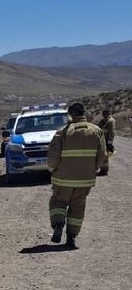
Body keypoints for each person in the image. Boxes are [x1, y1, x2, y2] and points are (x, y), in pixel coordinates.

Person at [47, 103, 106, 249]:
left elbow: (53, 156)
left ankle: (58, 224)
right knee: (78, 207)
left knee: (58, 202)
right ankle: (71, 237)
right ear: (84, 113)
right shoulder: (97, 131)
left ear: (70, 115)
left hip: (62, 179)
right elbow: (102, 154)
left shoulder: (62, 132)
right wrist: (93, 169)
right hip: (85, 179)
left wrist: (51, 169)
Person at [97, 108, 115, 176]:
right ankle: (103, 169)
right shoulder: (104, 120)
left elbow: (112, 133)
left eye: (104, 114)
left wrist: (110, 143)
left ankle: (104, 170)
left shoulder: (110, 121)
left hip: (106, 141)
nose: (103, 115)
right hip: (102, 140)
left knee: (104, 155)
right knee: (102, 154)